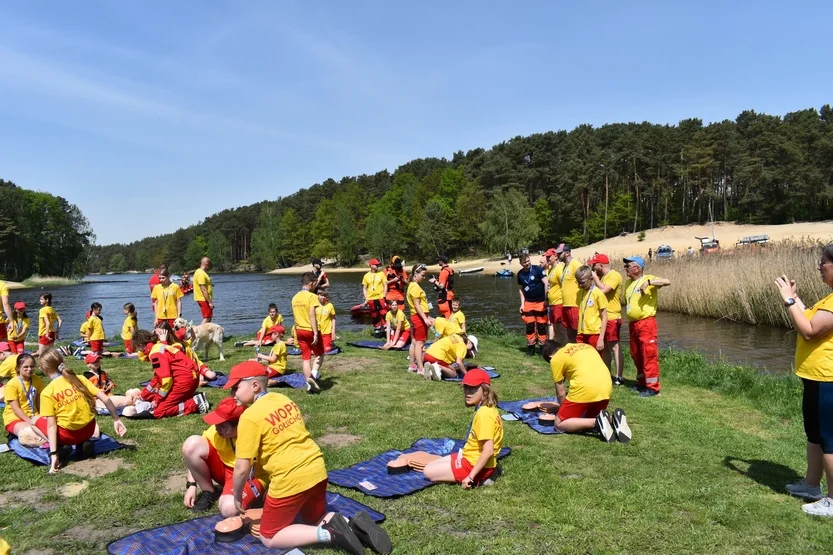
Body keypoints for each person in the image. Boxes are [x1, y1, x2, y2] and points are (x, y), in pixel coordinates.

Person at [228, 362, 391, 554]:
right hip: (317, 469)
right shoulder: (283, 399)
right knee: (315, 517)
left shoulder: (249, 417)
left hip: (290, 478)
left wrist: (237, 496)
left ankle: (330, 534)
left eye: (235, 387)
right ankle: (353, 524)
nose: (232, 394)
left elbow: (241, 467)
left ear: (255, 385)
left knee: (269, 537)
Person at [776, 245, 833, 516]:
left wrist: (788, 300)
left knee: (830, 441)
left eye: (823, 263)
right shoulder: (828, 299)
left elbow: (809, 331)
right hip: (814, 378)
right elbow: (808, 316)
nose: (818, 267)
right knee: (815, 435)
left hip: (827, 380)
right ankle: (812, 486)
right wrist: (795, 298)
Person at [37, 348, 127, 472]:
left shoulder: (47, 392)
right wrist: (116, 419)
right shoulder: (80, 378)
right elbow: (106, 399)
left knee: (37, 420)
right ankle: (82, 444)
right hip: (88, 429)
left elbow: (51, 427)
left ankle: (61, 447)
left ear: (43, 369)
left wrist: (53, 455)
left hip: (68, 435)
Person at [181, 397, 267, 516]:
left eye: (222, 425)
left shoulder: (258, 436)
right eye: (216, 423)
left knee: (229, 509)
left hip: (250, 477)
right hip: (226, 471)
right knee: (191, 444)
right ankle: (208, 491)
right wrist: (191, 485)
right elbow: (191, 456)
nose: (216, 428)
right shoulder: (217, 432)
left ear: (239, 425)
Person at [423, 368, 503, 488]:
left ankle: (483, 477)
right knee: (430, 464)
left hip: (472, 464)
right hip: (469, 456)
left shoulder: (484, 415)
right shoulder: (486, 409)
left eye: (473, 388)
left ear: (485, 391)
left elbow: (488, 450)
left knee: (428, 472)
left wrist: (470, 477)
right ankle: (489, 470)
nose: (468, 392)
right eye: (466, 387)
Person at [540, 340, 630, 442]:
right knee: (586, 419)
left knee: (560, 424)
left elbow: (560, 393)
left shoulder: (555, 359)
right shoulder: (585, 346)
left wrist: (562, 411)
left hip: (585, 388)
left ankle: (598, 422)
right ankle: (613, 420)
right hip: (606, 387)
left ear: (550, 357)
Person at [132, 328, 208, 417]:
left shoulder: (155, 354)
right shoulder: (159, 347)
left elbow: (166, 380)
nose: (138, 350)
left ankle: (194, 403)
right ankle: (189, 398)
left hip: (184, 381)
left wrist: (157, 400)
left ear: (140, 344)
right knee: (160, 396)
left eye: (137, 347)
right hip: (192, 377)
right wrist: (143, 395)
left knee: (158, 412)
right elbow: (157, 378)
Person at [623, 256, 671, 397]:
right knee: (636, 353)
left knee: (648, 354)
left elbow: (667, 281)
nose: (625, 269)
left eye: (628, 266)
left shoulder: (648, 279)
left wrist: (648, 283)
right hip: (633, 324)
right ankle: (642, 383)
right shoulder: (628, 283)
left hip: (646, 323)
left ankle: (653, 388)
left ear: (637, 268)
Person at [589, 254, 624, 384]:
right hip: (602, 317)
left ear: (601, 265)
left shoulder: (614, 275)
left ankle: (619, 377)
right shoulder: (602, 277)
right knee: (605, 348)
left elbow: (604, 290)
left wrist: (595, 278)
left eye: (594, 264)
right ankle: (607, 374)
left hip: (613, 316)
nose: (592, 267)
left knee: (614, 347)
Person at [3, 354, 47, 443]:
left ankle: (52, 443)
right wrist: (30, 421)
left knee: (50, 426)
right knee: (28, 433)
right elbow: (16, 409)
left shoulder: (37, 380)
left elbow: (39, 402)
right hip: (15, 418)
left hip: (34, 415)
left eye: (32, 366)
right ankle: (52, 443)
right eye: (25, 367)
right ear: (18, 368)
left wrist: (44, 416)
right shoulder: (12, 384)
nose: (29, 369)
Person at [291, 272, 324, 393]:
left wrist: (295, 333)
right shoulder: (311, 297)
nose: (315, 286)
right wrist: (315, 333)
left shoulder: (295, 297)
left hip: (299, 330)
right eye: (315, 284)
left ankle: (309, 386)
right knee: (320, 354)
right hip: (310, 330)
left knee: (306, 358)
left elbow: (295, 317)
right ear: (310, 283)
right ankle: (313, 376)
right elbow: (312, 316)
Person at [517, 253, 549, 356]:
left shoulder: (538, 269)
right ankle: (531, 350)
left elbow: (546, 283)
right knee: (529, 326)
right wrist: (522, 304)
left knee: (541, 326)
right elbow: (521, 289)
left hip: (540, 302)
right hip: (528, 303)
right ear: (521, 263)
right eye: (524, 262)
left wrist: (546, 299)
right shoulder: (520, 274)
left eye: (528, 261)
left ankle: (543, 350)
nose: (527, 263)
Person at [407, 264, 435, 374]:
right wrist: (425, 319)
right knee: (420, 343)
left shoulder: (413, 285)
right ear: (415, 274)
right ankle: (420, 368)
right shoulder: (414, 287)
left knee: (414, 342)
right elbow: (417, 305)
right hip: (418, 317)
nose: (424, 278)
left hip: (417, 317)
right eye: (423, 275)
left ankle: (412, 365)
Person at [575, 265, 608, 353]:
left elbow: (604, 317)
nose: (580, 285)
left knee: (595, 360)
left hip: (594, 333)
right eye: (578, 282)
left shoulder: (598, 293)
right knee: (582, 359)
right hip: (581, 333)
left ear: (591, 279)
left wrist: (601, 338)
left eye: (582, 282)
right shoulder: (579, 292)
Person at [556, 244, 582, 343]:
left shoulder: (575, 264)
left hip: (574, 304)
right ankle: (572, 354)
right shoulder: (564, 267)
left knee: (578, 333)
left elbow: (586, 277)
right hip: (566, 304)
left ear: (567, 253)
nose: (558, 255)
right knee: (569, 333)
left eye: (560, 253)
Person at [362, 259, 388, 332]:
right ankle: (377, 329)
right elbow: (364, 288)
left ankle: (386, 328)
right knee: (374, 314)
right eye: (375, 265)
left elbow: (385, 285)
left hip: (380, 297)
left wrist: (384, 295)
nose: (377, 266)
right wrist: (366, 298)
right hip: (371, 298)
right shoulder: (366, 276)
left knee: (383, 313)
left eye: (378, 264)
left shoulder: (381, 274)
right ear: (371, 266)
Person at [545, 248, 564, 341]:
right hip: (552, 303)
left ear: (555, 256)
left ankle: (563, 347)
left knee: (560, 328)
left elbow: (564, 285)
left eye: (549, 256)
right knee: (555, 328)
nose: (547, 258)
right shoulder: (550, 269)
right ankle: (557, 348)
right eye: (546, 257)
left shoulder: (559, 268)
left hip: (559, 303)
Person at [193, 257, 214, 324]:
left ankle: (205, 334)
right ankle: (198, 333)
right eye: (210, 264)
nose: (210, 267)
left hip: (203, 298)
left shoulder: (199, 272)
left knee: (209, 317)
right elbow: (203, 289)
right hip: (203, 298)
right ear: (206, 263)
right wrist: (210, 302)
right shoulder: (201, 273)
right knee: (207, 317)